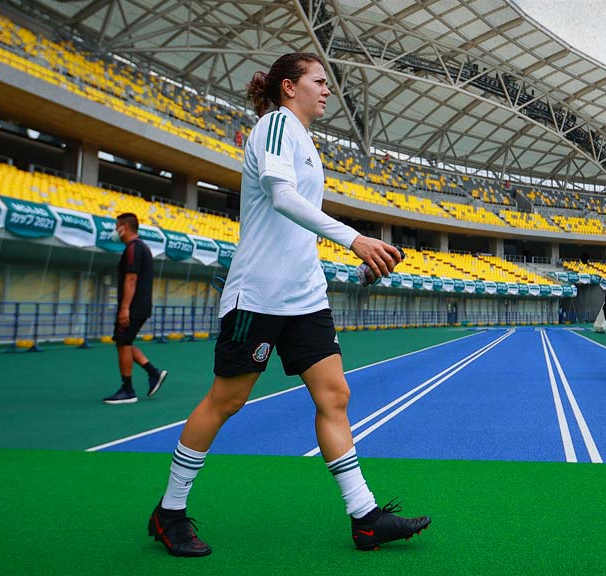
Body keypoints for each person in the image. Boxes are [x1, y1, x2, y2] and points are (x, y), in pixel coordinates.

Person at [146, 52, 430, 557]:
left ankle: (364, 517)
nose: (327, 90)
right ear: (287, 87)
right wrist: (354, 239)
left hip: (305, 299)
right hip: (258, 296)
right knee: (226, 401)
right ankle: (169, 512)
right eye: (318, 81)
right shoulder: (276, 125)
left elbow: (294, 229)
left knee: (334, 396)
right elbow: (280, 197)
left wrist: (351, 266)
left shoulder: (304, 141)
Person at [103, 213, 168, 404]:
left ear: (124, 226)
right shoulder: (142, 248)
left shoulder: (133, 249)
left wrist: (124, 308)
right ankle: (153, 373)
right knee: (124, 341)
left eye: (117, 226)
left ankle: (128, 390)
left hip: (133, 307)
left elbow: (131, 278)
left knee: (123, 343)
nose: (115, 230)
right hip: (139, 305)